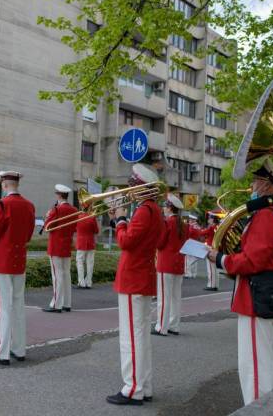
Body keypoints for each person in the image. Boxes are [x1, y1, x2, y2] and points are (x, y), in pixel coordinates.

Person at [206, 160, 273, 406]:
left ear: (268, 184)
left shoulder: (268, 215)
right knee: (272, 365)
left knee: (255, 370)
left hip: (257, 298)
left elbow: (252, 261)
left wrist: (220, 259)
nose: (252, 185)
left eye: (256, 180)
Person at [106, 164, 165, 406]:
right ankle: (144, 386)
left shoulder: (143, 210)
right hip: (142, 277)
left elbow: (126, 242)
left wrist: (120, 218)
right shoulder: (155, 211)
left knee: (130, 338)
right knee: (140, 337)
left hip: (133, 278)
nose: (130, 190)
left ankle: (132, 388)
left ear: (141, 187)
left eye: (133, 186)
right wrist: (117, 221)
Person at [0, 171, 35, 365]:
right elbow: (28, 235)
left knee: (1, 307)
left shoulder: (2, 204)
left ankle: (1, 352)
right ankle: (19, 349)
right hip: (19, 261)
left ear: (4, 184)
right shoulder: (29, 205)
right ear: (17, 184)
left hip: (1, 260)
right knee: (18, 306)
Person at [153, 194, 188, 336]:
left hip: (165, 263)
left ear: (169, 208)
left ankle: (161, 327)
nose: (163, 208)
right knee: (175, 298)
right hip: (178, 264)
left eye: (164, 206)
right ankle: (174, 325)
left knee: (163, 297)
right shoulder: (183, 224)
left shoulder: (167, 223)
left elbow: (160, 243)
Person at [43, 184, 78, 313]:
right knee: (66, 274)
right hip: (66, 245)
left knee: (57, 275)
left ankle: (57, 304)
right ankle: (67, 303)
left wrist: (47, 216)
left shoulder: (56, 210)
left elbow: (47, 227)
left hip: (55, 246)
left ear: (58, 195)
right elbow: (74, 228)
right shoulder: (74, 210)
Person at [76, 209, 100, 289]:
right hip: (90, 242)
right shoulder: (92, 217)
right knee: (90, 263)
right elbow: (96, 231)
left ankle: (81, 282)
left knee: (80, 262)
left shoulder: (78, 217)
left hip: (81, 242)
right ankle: (89, 282)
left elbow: (75, 229)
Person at [202, 214, 219, 291]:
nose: (208, 219)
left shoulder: (212, 227)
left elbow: (202, 233)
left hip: (210, 248)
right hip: (215, 248)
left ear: (213, 219)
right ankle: (215, 284)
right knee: (215, 268)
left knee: (210, 268)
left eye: (210, 218)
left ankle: (211, 285)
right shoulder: (217, 227)